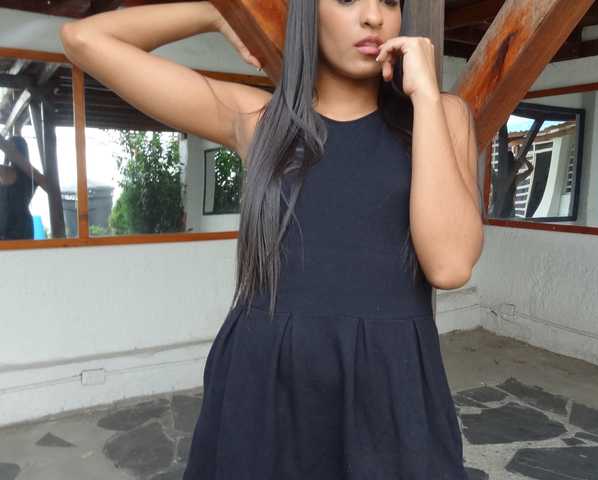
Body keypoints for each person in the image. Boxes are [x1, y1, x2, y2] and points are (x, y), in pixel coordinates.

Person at [60, 1, 484, 478]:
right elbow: (84, 41)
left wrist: (425, 96)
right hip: (266, 380)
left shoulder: (442, 116)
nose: (373, 16)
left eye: (388, 0)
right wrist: (216, 12)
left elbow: (450, 265)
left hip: (392, 380)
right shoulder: (261, 120)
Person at [0, 135, 41, 240]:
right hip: (25, 226)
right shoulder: (33, 175)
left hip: (7, 227)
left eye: (8, 149)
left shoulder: (6, 171)